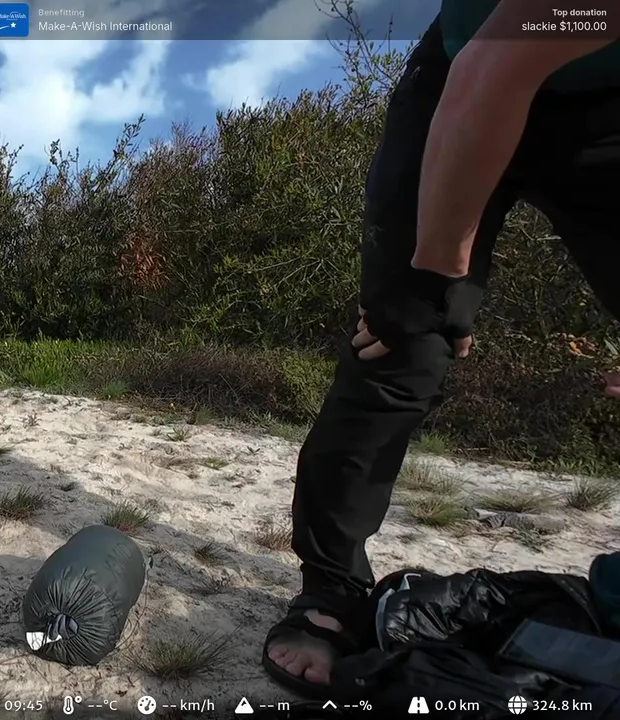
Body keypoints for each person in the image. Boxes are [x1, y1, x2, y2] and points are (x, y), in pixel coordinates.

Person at [261, 0, 620, 698]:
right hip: (466, 72)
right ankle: (331, 589)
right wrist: (433, 283)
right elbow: (491, 72)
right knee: (398, 345)